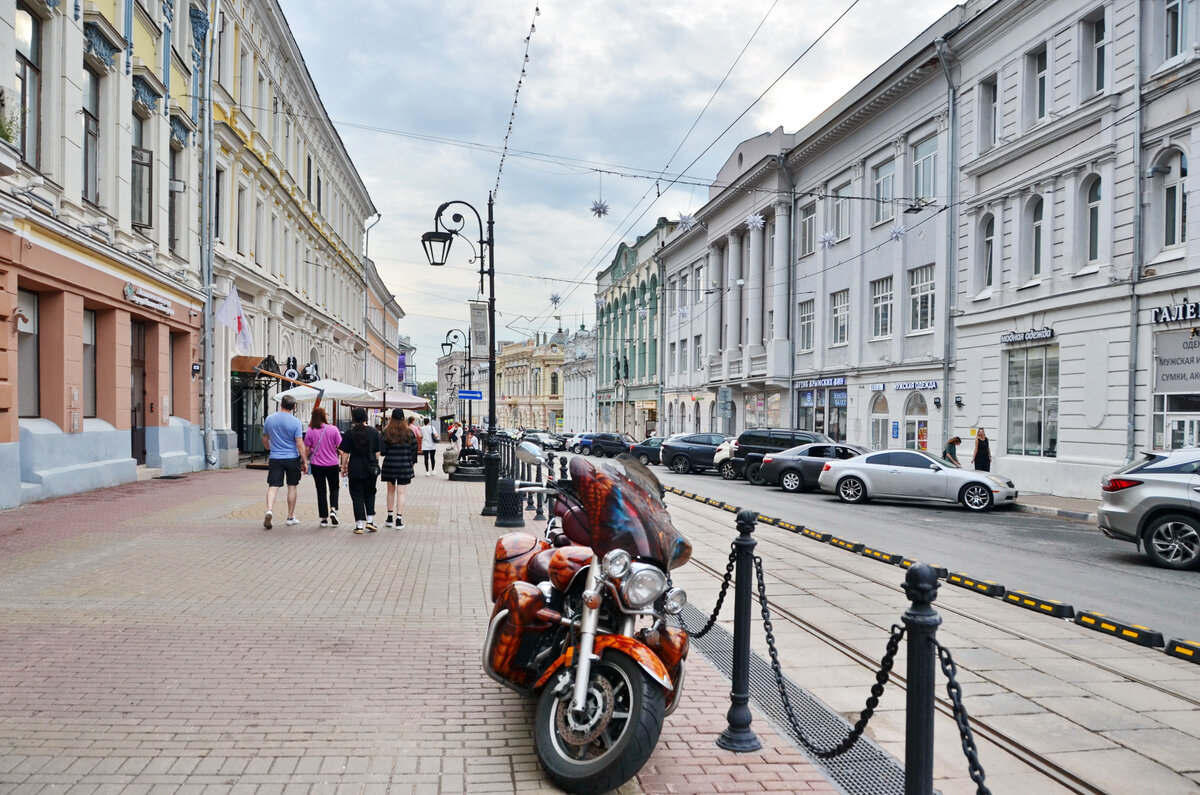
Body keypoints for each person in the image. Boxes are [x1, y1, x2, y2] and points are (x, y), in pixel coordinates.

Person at [261, 394, 308, 529]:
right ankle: (290, 517)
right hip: (291, 457)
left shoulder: (270, 419)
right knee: (292, 486)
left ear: (281, 404)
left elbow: (265, 439)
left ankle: (269, 509)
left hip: (275, 457)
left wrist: (269, 448)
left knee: (273, 486)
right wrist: (304, 461)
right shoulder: (296, 422)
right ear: (293, 407)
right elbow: (299, 443)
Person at [338, 407, 382, 534]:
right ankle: (370, 520)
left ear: (354, 418)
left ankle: (359, 525)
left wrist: (343, 467)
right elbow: (378, 452)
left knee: (357, 495)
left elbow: (345, 453)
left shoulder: (349, 433)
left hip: (355, 468)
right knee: (370, 493)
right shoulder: (374, 432)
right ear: (365, 417)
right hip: (370, 469)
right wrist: (373, 462)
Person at [305, 407, 343, 527]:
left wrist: (305, 460)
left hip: (317, 465)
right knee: (334, 488)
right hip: (332, 464)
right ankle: (333, 509)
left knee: (321, 491)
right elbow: (340, 448)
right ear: (323, 416)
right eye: (326, 413)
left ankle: (323, 518)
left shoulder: (310, 431)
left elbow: (306, 450)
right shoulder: (333, 429)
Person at [380, 408, 416, 529]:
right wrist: (411, 463)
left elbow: (382, 451)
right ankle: (399, 520)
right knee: (401, 492)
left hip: (390, 465)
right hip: (404, 466)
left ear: (392, 418)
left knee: (390, 491)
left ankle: (389, 517)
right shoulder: (409, 432)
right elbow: (414, 450)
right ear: (403, 418)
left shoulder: (386, 431)